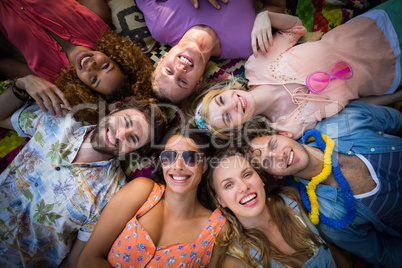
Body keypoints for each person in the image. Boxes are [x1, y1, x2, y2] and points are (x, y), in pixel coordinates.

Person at [0, 82, 169, 267]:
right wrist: (21, 84)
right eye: (125, 121)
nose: (120, 134)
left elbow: (75, 262)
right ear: (114, 110)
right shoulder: (59, 119)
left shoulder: (111, 195)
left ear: (133, 152)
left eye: (133, 138)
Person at [192, 0, 402, 139]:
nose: (233, 105)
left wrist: (264, 17)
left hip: (381, 24)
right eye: (227, 118)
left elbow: (295, 28)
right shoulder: (288, 129)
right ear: (236, 129)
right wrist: (399, 95)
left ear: (224, 91)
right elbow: (356, 105)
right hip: (392, 76)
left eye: (221, 100)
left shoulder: (257, 65)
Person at [245, 100, 402, 267]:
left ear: (284, 134)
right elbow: (384, 254)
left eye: (274, 145)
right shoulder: (331, 218)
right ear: (275, 176)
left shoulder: (346, 120)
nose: (279, 155)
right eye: (268, 162)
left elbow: (397, 121)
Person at [77, 126, 227, 267]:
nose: (178, 166)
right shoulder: (142, 191)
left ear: (205, 166)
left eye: (191, 158)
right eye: (169, 156)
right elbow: (87, 260)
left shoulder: (216, 229)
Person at [0, 0, 155, 123]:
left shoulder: (48, 75)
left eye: (94, 79)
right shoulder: (98, 21)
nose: (92, 66)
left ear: (84, 88)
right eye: (106, 66)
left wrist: (23, 84)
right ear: (115, 58)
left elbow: (3, 64)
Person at [136, 0, 286, 103]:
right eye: (182, 81)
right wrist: (264, 16)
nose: (180, 69)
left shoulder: (162, 26)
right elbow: (276, 4)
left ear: (162, 59)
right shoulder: (248, 43)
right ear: (199, 82)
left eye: (169, 71)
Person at [207, 151, 339, 267]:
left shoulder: (292, 200)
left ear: (260, 178)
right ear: (220, 200)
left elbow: (332, 250)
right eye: (229, 185)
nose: (243, 187)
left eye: (247, 175)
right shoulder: (235, 259)